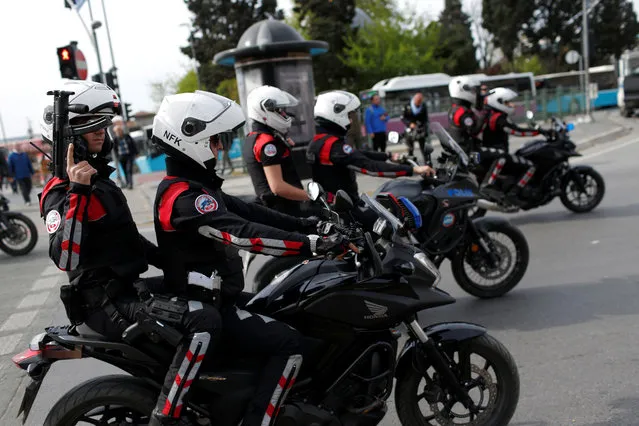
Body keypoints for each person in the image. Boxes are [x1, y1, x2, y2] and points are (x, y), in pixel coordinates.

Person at [151, 90, 343, 426]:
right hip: (205, 305)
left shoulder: (197, 188)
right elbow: (243, 233)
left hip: (218, 296)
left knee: (287, 307)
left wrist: (307, 224)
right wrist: (311, 245)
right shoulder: (185, 198)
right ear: (190, 139)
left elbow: (252, 212)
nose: (220, 148)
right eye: (215, 141)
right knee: (291, 344)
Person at [37, 80, 219, 426]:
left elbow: (130, 242)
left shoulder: (100, 181)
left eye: (104, 126)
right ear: (72, 135)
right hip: (104, 304)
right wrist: (77, 191)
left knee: (208, 289)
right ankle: (167, 416)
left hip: (126, 289)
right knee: (203, 320)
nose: (102, 134)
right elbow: (66, 258)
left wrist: (182, 263)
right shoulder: (62, 193)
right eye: (94, 127)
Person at [307, 90, 434, 202]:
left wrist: (388, 155)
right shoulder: (333, 147)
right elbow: (371, 167)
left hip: (334, 204)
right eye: (348, 116)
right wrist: (414, 170)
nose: (351, 121)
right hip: (345, 211)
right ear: (335, 114)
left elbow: (357, 153)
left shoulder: (321, 141)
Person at [243, 85, 316, 217]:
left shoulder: (254, 137)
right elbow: (278, 187)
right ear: (265, 110)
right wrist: (311, 196)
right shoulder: (267, 143)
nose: (284, 114)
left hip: (278, 209)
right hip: (284, 211)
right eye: (279, 110)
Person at [480, 87, 546, 204]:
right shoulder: (498, 118)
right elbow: (517, 131)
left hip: (490, 155)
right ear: (498, 102)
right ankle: (514, 193)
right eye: (507, 102)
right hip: (497, 155)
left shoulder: (491, 115)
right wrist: (539, 132)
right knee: (531, 166)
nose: (512, 105)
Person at [447, 76, 484, 153]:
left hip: (461, 148)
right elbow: (474, 131)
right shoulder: (463, 112)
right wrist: (483, 116)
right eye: (471, 90)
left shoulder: (453, 108)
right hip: (467, 150)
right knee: (503, 156)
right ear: (461, 90)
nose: (474, 93)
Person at [401, 92, 430, 160]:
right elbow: (402, 118)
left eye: (420, 101)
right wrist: (410, 124)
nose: (419, 103)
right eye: (417, 101)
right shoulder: (407, 105)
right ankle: (411, 161)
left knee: (423, 146)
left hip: (420, 129)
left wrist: (424, 126)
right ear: (414, 99)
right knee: (410, 147)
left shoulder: (423, 105)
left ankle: (426, 161)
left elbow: (425, 118)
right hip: (410, 130)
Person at [113, 122, 138, 189]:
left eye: (119, 130)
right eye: (117, 131)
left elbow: (133, 144)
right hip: (121, 157)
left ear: (121, 131)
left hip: (129, 156)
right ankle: (127, 183)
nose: (118, 132)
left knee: (128, 170)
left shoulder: (127, 136)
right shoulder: (115, 139)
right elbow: (115, 149)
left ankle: (130, 184)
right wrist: (117, 157)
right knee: (125, 171)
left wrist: (136, 153)